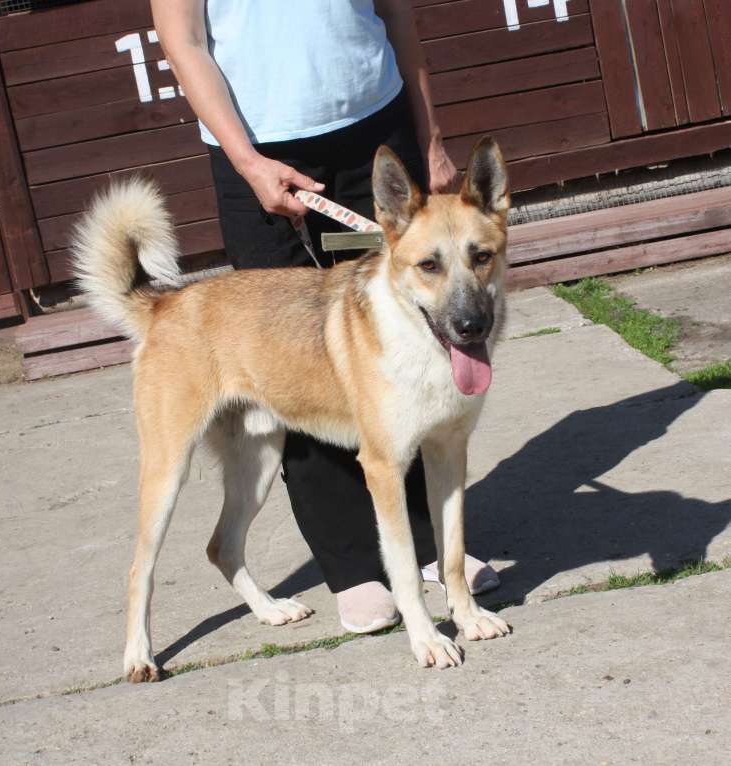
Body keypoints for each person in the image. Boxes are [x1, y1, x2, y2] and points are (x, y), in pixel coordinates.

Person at [150, 0, 500, 633]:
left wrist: (431, 138)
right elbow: (185, 42)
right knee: (295, 369)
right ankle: (352, 569)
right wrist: (248, 161)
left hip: (373, 121)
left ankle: (428, 556)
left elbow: (397, 17)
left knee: (413, 364)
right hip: (257, 145)